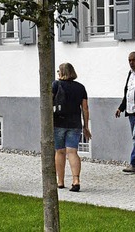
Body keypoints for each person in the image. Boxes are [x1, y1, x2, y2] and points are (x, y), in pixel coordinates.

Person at [52, 63, 91, 192]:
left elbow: (49, 103)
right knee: (72, 152)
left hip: (58, 122)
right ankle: (76, 180)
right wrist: (86, 125)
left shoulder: (56, 85)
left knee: (60, 151)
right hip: (75, 123)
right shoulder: (80, 87)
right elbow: (85, 108)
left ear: (62, 72)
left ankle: (60, 181)